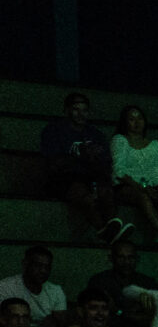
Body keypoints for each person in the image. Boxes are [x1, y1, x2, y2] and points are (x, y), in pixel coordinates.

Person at [37, 92, 119, 242]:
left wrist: (95, 161)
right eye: (76, 109)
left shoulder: (96, 134)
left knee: (106, 191)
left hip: (91, 176)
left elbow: (105, 162)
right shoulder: (53, 131)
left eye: (84, 110)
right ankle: (103, 229)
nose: (81, 114)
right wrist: (82, 155)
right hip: (62, 179)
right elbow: (54, 163)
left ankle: (112, 226)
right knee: (81, 191)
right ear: (66, 110)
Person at [110, 105, 158, 244]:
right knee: (143, 197)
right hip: (127, 186)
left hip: (150, 187)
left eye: (140, 118)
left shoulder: (154, 145)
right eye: (132, 119)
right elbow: (119, 171)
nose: (136, 123)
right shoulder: (120, 141)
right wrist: (142, 187)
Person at [0, 246, 70, 327]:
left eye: (47, 267)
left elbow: (61, 324)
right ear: (25, 264)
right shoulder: (5, 287)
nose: (43, 271)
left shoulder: (55, 290)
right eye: (38, 265)